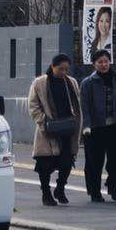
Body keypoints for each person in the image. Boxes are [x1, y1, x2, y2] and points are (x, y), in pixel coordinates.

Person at [80, 49, 116, 203]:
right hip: (95, 128)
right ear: (94, 64)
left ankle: (113, 185)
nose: (104, 64)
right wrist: (86, 126)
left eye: (106, 61)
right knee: (94, 162)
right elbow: (84, 107)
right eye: (100, 62)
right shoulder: (87, 83)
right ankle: (95, 192)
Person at [27, 53, 81, 206]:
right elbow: (33, 106)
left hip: (67, 128)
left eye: (66, 69)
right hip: (48, 130)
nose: (63, 72)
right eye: (60, 69)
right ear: (52, 66)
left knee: (67, 161)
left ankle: (60, 188)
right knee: (45, 164)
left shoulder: (72, 82)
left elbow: (77, 104)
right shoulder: (40, 82)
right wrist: (44, 121)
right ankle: (46, 193)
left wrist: (77, 122)